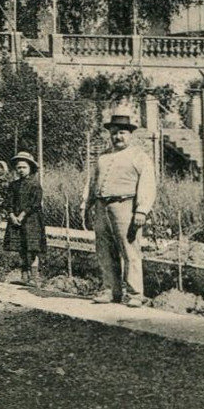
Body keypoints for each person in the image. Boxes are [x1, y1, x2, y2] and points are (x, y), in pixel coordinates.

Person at [82, 112, 156, 306]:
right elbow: (93, 183)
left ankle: (135, 294)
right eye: (114, 133)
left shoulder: (138, 156)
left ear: (130, 134)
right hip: (101, 206)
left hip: (125, 206)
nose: (118, 137)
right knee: (104, 250)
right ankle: (110, 290)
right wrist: (87, 205)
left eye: (122, 132)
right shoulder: (103, 157)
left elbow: (148, 183)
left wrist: (141, 210)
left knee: (129, 249)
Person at [3, 151, 45, 285]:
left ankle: (34, 277)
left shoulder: (35, 185)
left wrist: (21, 215)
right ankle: (24, 276)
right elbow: (8, 203)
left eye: (24, 167)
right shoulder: (13, 185)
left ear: (30, 168)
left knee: (32, 248)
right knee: (21, 247)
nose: (21, 170)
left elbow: (35, 203)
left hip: (31, 220)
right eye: (19, 167)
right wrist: (12, 216)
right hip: (16, 220)